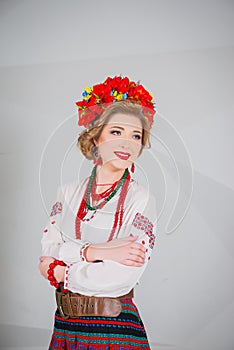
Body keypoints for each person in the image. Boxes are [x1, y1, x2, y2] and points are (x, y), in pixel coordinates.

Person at [38, 75, 157, 349]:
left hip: (113, 328)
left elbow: (120, 276)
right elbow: (47, 250)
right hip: (65, 326)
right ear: (96, 136)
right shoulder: (67, 192)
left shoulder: (140, 198)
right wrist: (97, 253)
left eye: (135, 135)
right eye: (117, 132)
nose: (127, 143)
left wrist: (61, 272)